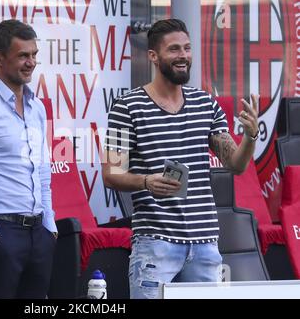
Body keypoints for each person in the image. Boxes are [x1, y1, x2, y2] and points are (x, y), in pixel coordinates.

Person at [102, 19, 259, 299]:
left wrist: (249, 137)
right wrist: (147, 181)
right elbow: (110, 174)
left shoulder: (206, 104)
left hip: (205, 243)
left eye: (187, 48)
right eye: (174, 49)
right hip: (155, 244)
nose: (183, 56)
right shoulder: (126, 107)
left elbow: (235, 165)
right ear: (153, 56)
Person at [0, 19, 57, 299]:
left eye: (34, 55)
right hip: (1, 231)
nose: (31, 62)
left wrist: (49, 224)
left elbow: (42, 168)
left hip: (38, 232)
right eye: (23, 55)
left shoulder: (37, 106)